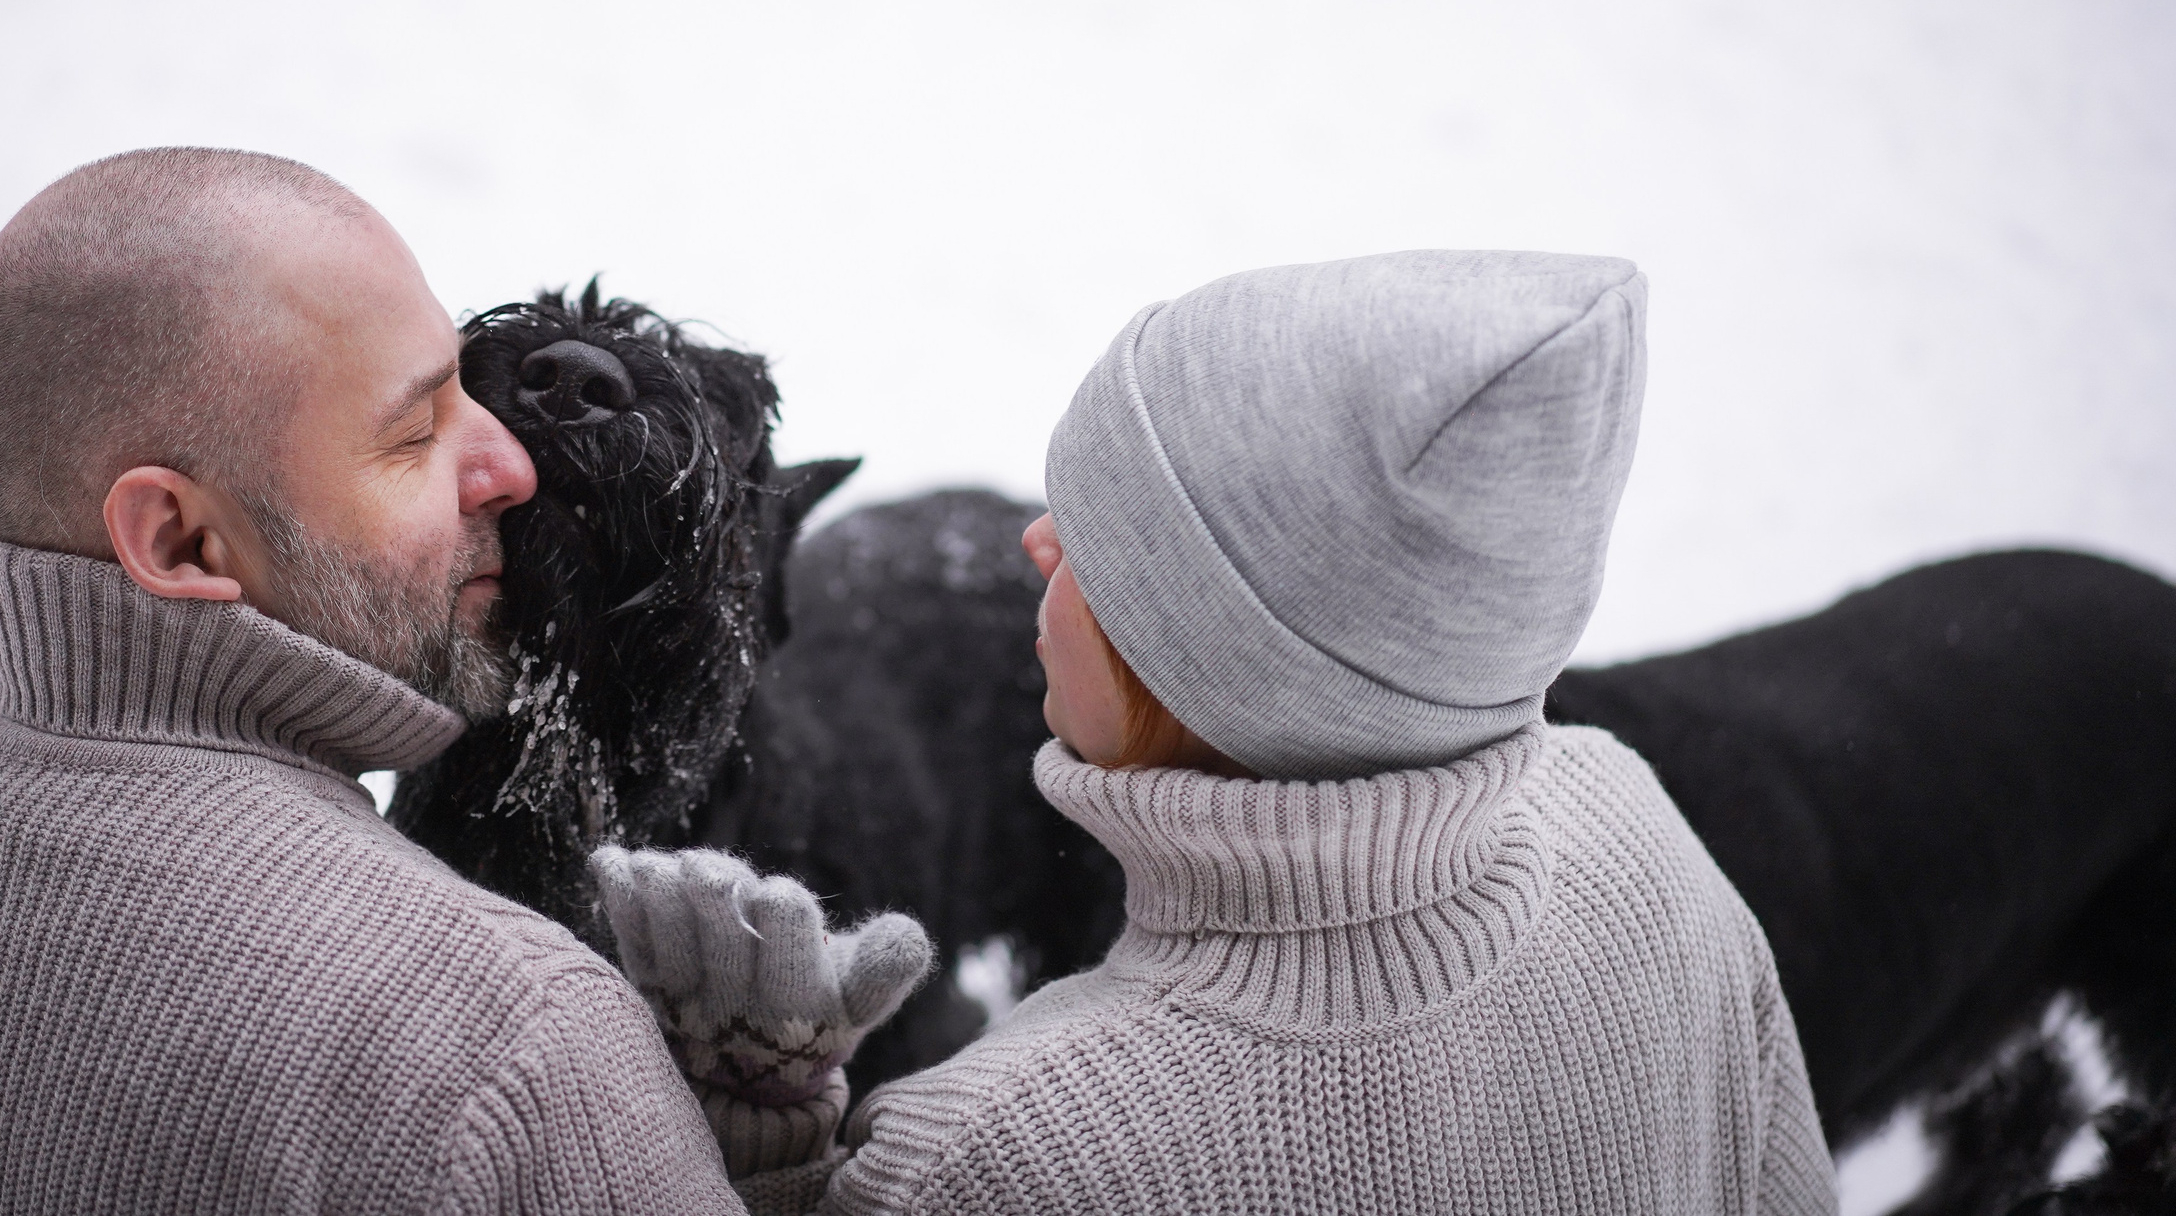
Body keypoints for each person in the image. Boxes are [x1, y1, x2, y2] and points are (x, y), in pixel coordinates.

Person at [0, 147, 926, 1215]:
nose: (512, 459)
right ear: (186, 542)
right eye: (415, 434)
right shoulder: (519, 1046)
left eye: (466, 391)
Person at [592, 250, 1837, 1214]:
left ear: (1211, 648)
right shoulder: (1638, 825)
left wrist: (760, 1142)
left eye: (1094, 537)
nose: (1032, 540)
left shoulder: (1003, 1156)